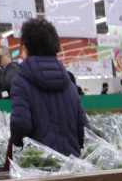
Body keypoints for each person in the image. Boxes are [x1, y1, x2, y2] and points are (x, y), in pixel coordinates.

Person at [10, 19, 89, 157]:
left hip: (39, 166)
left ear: (25, 48)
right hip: (72, 166)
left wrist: (20, 149)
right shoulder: (69, 85)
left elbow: (21, 125)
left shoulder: (21, 82)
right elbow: (84, 130)